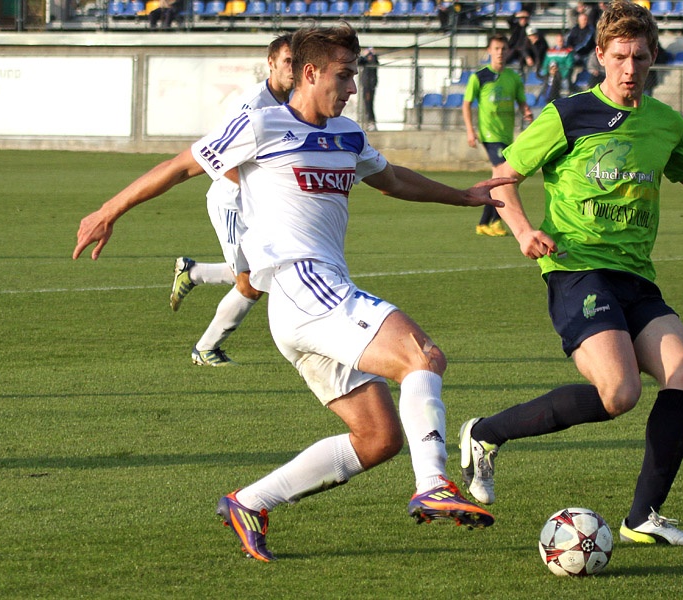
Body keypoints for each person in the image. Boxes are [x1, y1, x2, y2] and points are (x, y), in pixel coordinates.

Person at [74, 23, 507, 562]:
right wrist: (107, 211)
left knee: (378, 439)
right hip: (302, 284)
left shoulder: (347, 135)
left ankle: (249, 502)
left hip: (309, 301)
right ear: (310, 73)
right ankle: (433, 485)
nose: (351, 88)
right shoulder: (260, 125)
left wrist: (463, 197)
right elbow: (181, 166)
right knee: (423, 357)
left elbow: (393, 180)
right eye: (344, 76)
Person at [458, 0, 683, 547]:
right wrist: (525, 231)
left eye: (640, 58)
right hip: (577, 270)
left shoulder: (665, 123)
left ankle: (643, 517)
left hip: (635, 275)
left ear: (652, 60)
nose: (629, 68)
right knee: (619, 392)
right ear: (599, 55)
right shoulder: (568, 114)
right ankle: (484, 434)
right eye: (620, 56)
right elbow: (501, 178)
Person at [170, 35, 295, 367]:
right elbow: (220, 158)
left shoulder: (296, 100)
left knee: (264, 269)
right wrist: (262, 191)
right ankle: (206, 348)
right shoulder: (251, 105)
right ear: (271, 63)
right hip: (233, 204)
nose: (293, 69)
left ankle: (192, 272)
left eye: (298, 61)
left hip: (260, 204)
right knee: (252, 282)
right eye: (287, 61)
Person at [462, 34, 533, 237]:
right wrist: (470, 129)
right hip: (490, 134)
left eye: (503, 49)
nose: (500, 53)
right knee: (504, 177)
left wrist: (526, 111)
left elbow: (521, 102)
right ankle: (496, 222)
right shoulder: (480, 77)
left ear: (508, 51)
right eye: (496, 49)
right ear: (489, 51)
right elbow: (466, 103)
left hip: (506, 135)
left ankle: (486, 222)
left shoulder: (513, 78)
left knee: (500, 178)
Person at [565, 11, 596, 90]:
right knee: (568, 62)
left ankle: (588, 85)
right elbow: (569, 39)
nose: (584, 21)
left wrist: (574, 50)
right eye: (582, 19)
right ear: (578, 20)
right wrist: (568, 47)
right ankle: (569, 84)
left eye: (585, 19)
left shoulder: (590, 30)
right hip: (575, 53)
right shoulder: (574, 29)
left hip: (587, 54)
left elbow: (585, 43)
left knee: (590, 65)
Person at [541, 32, 575, 101]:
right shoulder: (550, 52)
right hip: (550, 74)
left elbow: (569, 65)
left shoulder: (568, 51)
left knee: (561, 84)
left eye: (562, 40)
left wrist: (561, 73)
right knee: (548, 83)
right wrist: (549, 72)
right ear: (556, 41)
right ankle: (547, 98)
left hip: (561, 75)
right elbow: (545, 64)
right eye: (559, 41)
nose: (561, 42)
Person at [357, 47, 379, 131]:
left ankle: (371, 122)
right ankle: (367, 121)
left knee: (369, 104)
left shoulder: (374, 61)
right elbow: (359, 61)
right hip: (365, 86)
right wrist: (364, 55)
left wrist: (372, 54)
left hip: (370, 86)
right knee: (366, 105)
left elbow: (375, 61)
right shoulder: (365, 61)